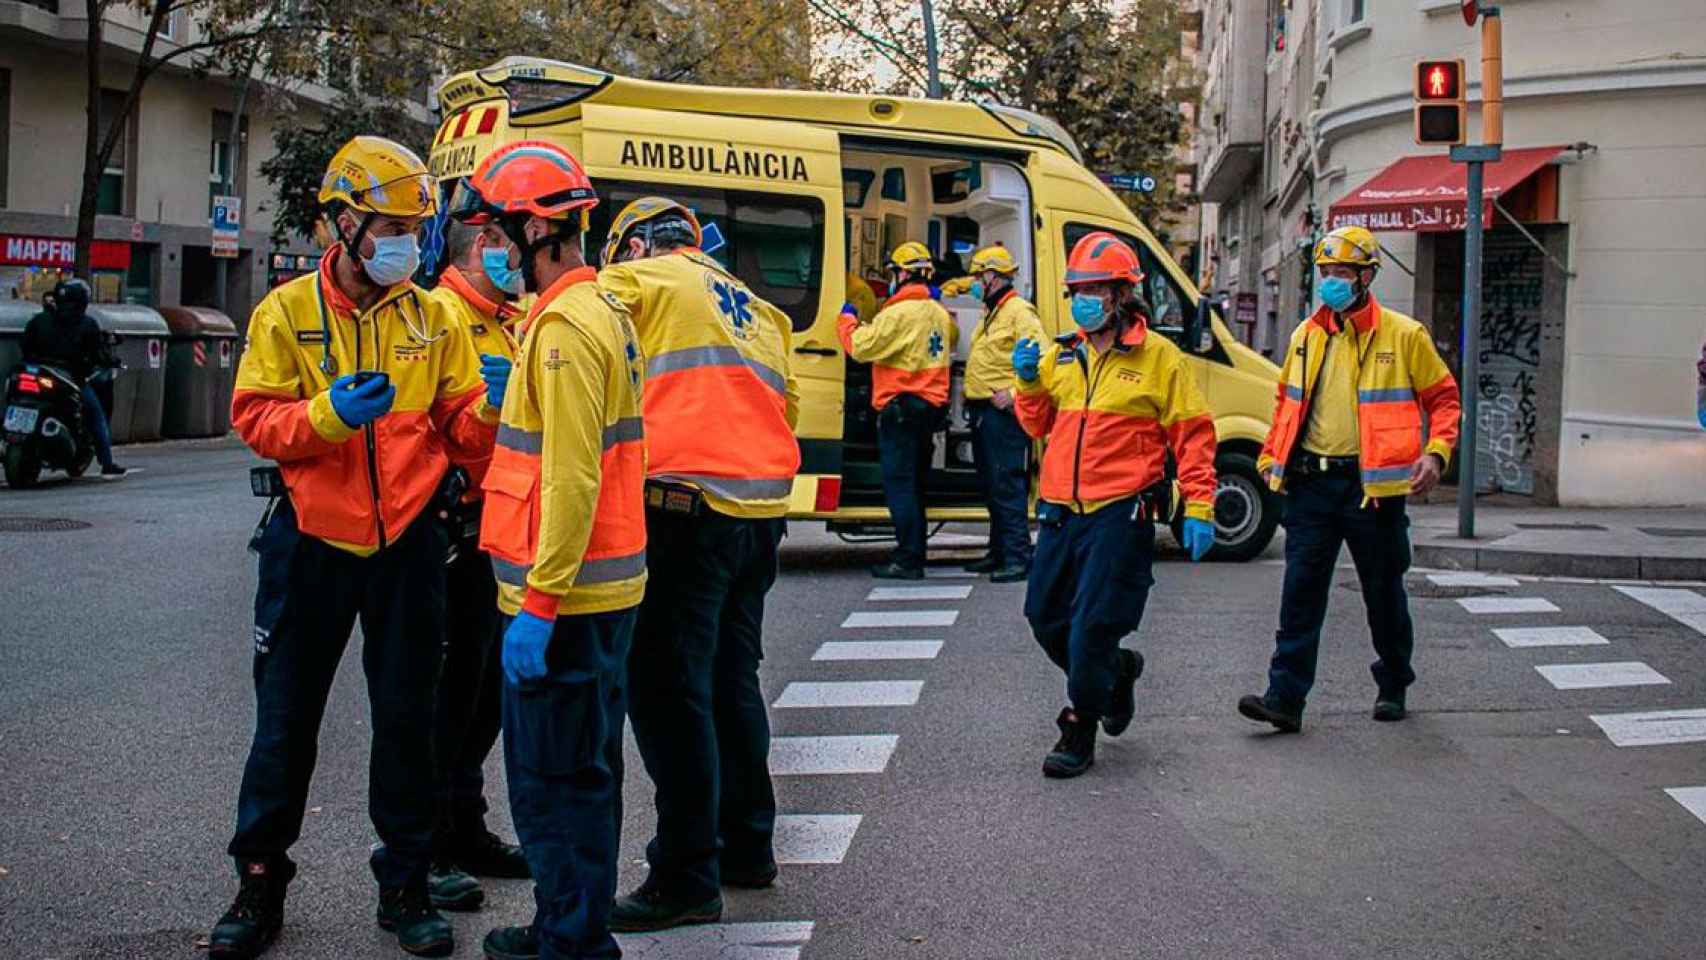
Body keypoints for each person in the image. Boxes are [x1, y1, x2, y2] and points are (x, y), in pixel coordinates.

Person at [210, 136, 501, 960]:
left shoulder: (432, 312)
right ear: (340, 224)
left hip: (408, 543)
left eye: (414, 226)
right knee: (285, 723)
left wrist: (491, 417)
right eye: (387, 226)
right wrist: (327, 417)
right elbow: (254, 418)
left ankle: (404, 886)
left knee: (408, 721)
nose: (404, 243)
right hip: (311, 546)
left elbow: (458, 427)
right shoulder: (286, 313)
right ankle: (259, 884)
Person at [449, 140, 648, 960]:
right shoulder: (593, 310)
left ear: (536, 228)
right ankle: (573, 924)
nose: (489, 248)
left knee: (552, 784)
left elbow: (569, 482)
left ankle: (569, 940)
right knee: (588, 774)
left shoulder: (564, 327)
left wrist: (536, 604)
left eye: (497, 231)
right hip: (601, 595)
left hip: (560, 603)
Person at [595, 197, 800, 932]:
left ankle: (685, 875)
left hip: (683, 510)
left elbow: (570, 350)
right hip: (757, 516)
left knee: (666, 691)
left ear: (638, 244)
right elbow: (789, 408)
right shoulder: (757, 309)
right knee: (729, 683)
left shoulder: (637, 284)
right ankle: (747, 846)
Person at [1237, 225, 1460, 734]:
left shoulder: (1404, 335)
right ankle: (1285, 697)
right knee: (1300, 594)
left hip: (1373, 493)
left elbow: (1444, 400)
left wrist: (1436, 453)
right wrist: (1273, 459)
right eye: (1326, 273)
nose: (1331, 282)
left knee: (1382, 594)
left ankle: (1394, 679)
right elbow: (1286, 405)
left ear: (1366, 277)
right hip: (1312, 486)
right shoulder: (1305, 336)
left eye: (1341, 273)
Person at [1011, 231, 1218, 779]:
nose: (1084, 299)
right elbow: (1037, 425)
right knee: (1043, 618)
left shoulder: (1159, 360)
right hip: (1059, 511)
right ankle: (1118, 673)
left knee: (1091, 627)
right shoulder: (1065, 354)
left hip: (1120, 512)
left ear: (1125, 295)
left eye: (1096, 289)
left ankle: (1079, 724)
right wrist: (1029, 383)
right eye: (1078, 289)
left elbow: (1193, 436)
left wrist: (1199, 504)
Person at [419, 220, 532, 912]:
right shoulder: (443, 314)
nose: (515, 259)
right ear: (475, 250)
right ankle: (428, 843)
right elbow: (430, 417)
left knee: (485, 691)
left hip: (504, 524)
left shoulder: (507, 319)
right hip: (457, 523)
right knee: (448, 692)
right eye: (504, 248)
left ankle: (466, 823)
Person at [838, 241, 958, 579]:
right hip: (929, 410)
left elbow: (861, 348)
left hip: (901, 410)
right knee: (916, 486)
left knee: (900, 487)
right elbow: (952, 335)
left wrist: (847, 321)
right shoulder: (938, 312)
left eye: (894, 272)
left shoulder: (898, 313)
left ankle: (907, 560)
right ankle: (913, 553)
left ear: (903, 273)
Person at [958, 245, 1043, 582]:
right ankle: (998, 552)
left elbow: (1041, 357)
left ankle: (1018, 557)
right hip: (984, 411)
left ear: (993, 276)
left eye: (979, 277)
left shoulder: (1020, 312)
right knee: (992, 484)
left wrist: (1015, 393)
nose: (976, 283)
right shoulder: (993, 311)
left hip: (1004, 415)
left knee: (1007, 484)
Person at [20, 277, 126, 477]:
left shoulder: (40, 319)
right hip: (69, 377)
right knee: (96, 414)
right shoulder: (86, 324)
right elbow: (97, 354)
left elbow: (25, 344)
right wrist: (106, 360)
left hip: (34, 371)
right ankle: (107, 462)